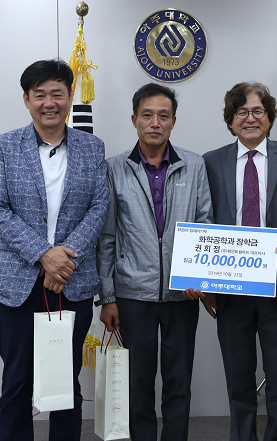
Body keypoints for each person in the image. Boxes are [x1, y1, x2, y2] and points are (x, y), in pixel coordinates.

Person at [0, 59, 110, 441]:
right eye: (40, 95)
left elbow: (99, 207)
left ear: (70, 98)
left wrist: (63, 258)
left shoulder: (92, 147)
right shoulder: (3, 146)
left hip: (71, 281)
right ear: (27, 100)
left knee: (64, 383)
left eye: (58, 93)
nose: (49, 103)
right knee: (17, 383)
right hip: (17, 284)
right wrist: (43, 254)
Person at [192, 82, 277, 441]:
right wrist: (204, 277)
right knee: (239, 379)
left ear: (270, 117)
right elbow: (203, 221)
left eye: (258, 110)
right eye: (241, 112)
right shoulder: (211, 162)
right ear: (230, 120)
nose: (250, 118)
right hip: (230, 288)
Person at [97, 82, 214, 441]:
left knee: (179, 381)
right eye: (147, 115)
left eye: (163, 116)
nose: (155, 123)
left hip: (183, 293)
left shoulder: (194, 165)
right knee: (137, 381)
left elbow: (205, 225)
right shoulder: (114, 168)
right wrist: (108, 297)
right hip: (133, 294)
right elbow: (107, 237)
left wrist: (200, 279)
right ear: (134, 119)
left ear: (173, 122)